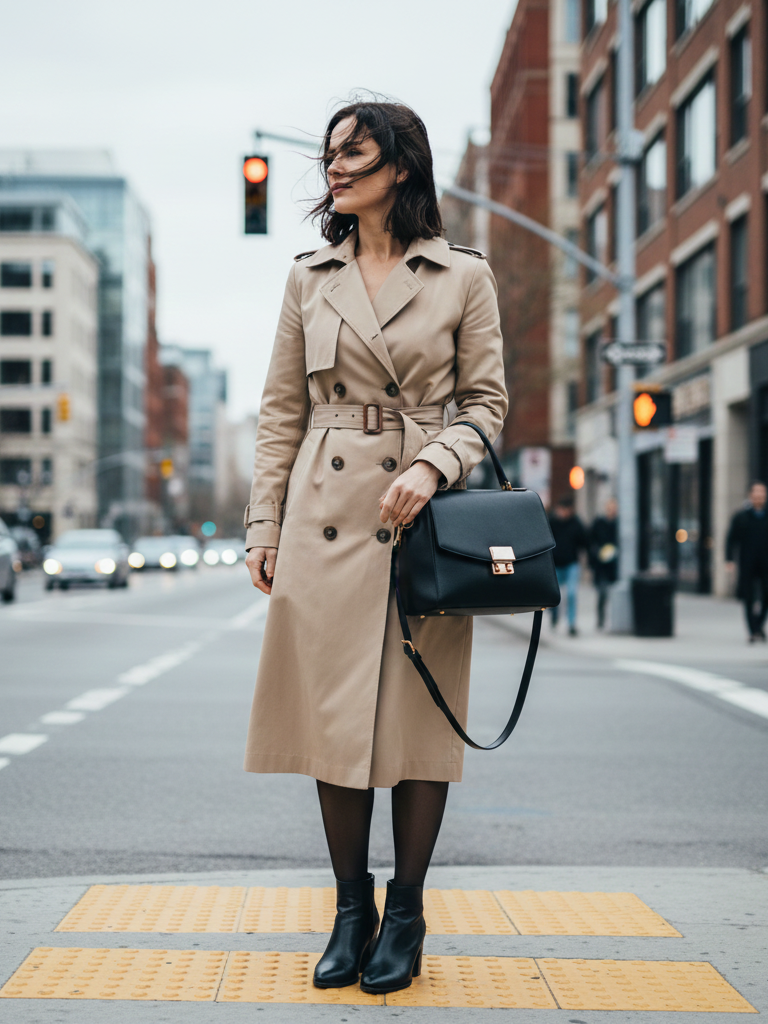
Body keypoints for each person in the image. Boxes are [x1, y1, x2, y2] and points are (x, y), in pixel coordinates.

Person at [243, 100, 507, 995]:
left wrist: (433, 465)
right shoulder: (309, 276)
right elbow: (282, 411)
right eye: (329, 155)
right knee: (332, 719)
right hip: (325, 509)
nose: (334, 167)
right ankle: (349, 907)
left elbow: (486, 403)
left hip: (421, 524)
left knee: (415, 726)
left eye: (354, 153)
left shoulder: (463, 275)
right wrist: (263, 524)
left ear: (401, 167)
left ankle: (408, 910)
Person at [725, 481, 768, 642]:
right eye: (756, 492)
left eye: (762, 492)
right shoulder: (741, 517)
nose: (759, 496)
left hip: (766, 564)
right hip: (747, 562)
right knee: (748, 597)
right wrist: (729, 560)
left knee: (766, 595)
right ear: (751, 495)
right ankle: (753, 630)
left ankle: (758, 625)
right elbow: (731, 539)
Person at [549, 495, 588, 635]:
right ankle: (553, 615)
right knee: (555, 595)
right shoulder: (552, 522)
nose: (564, 513)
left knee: (571, 594)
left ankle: (571, 624)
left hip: (571, 563)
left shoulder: (576, 523)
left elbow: (584, 541)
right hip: (556, 564)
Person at [589, 498, 619, 629]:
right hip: (601, 566)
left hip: (615, 566)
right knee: (602, 593)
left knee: (614, 594)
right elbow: (591, 541)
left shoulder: (619, 524)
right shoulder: (599, 523)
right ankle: (601, 619)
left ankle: (614, 620)